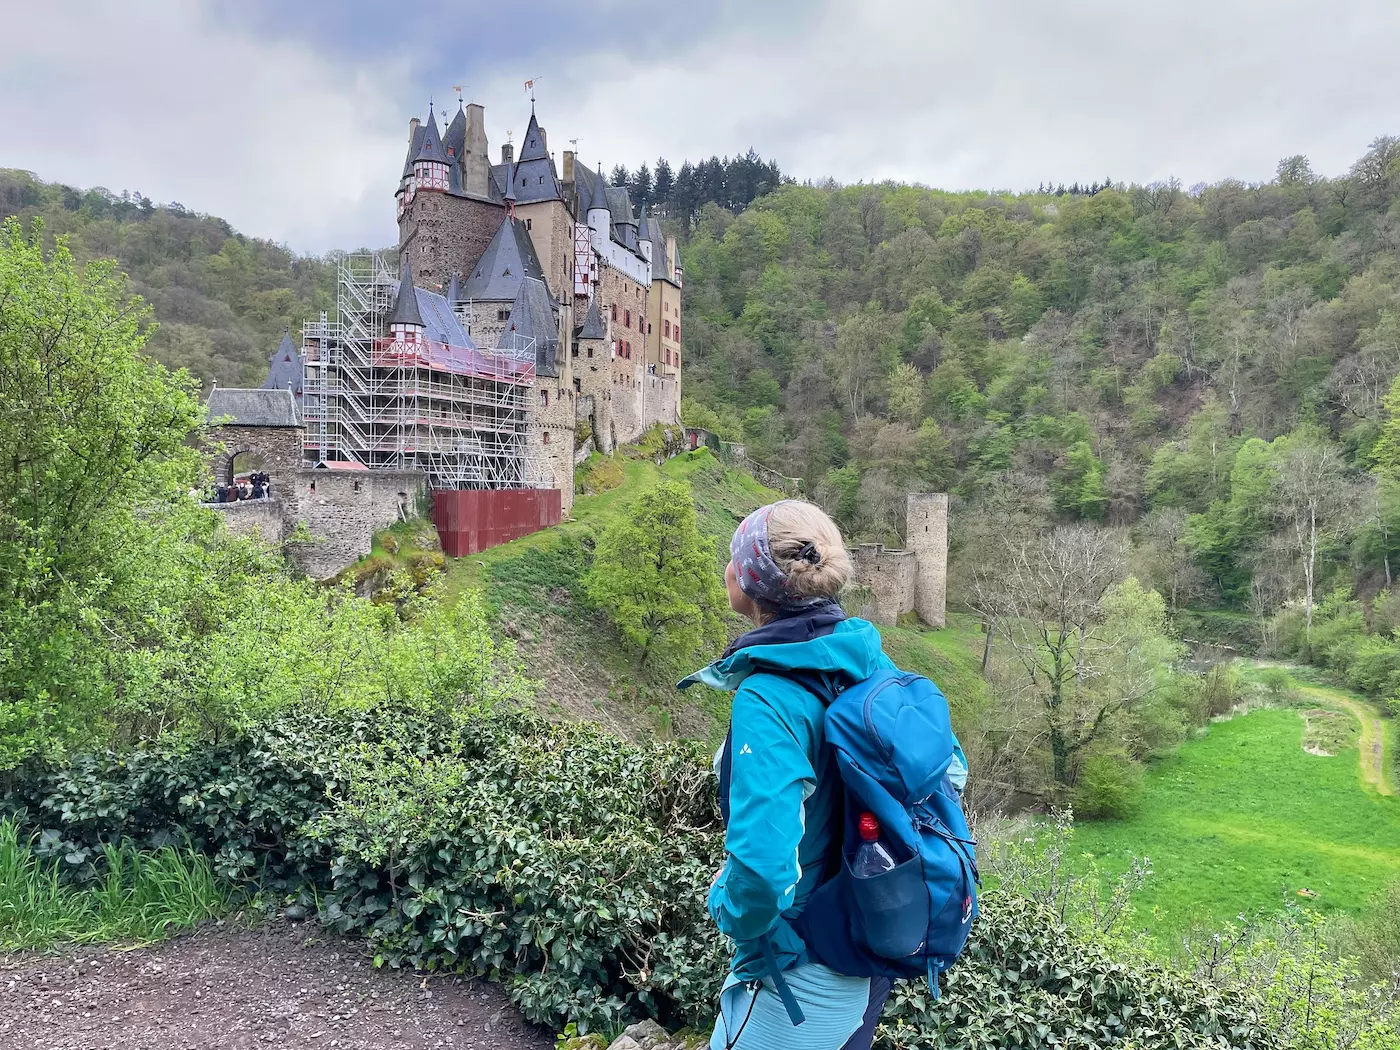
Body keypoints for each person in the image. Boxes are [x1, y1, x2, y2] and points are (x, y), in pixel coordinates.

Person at [678, 501, 894, 1050]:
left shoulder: (769, 697)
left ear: (749, 581)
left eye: (733, 557)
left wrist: (725, 905)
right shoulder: (870, 661)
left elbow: (763, 872)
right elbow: (951, 772)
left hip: (798, 972)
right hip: (868, 948)